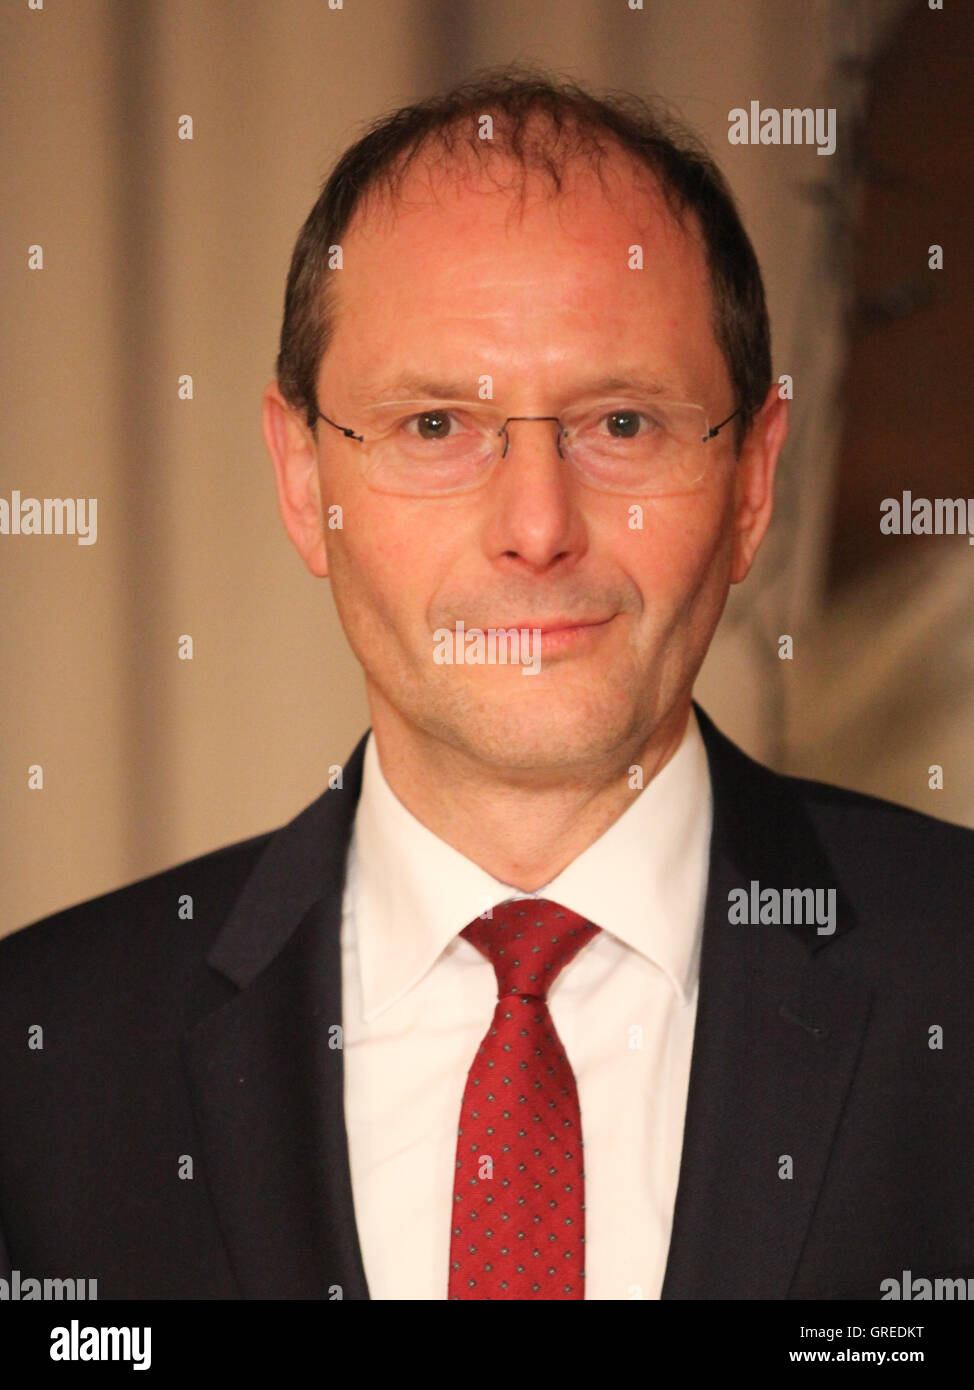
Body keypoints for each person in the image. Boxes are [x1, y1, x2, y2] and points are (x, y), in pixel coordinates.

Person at [1, 68, 972, 1302]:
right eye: (433, 427)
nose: (534, 526)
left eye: (621, 424)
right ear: (305, 483)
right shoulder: (42, 1066)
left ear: (750, 483)